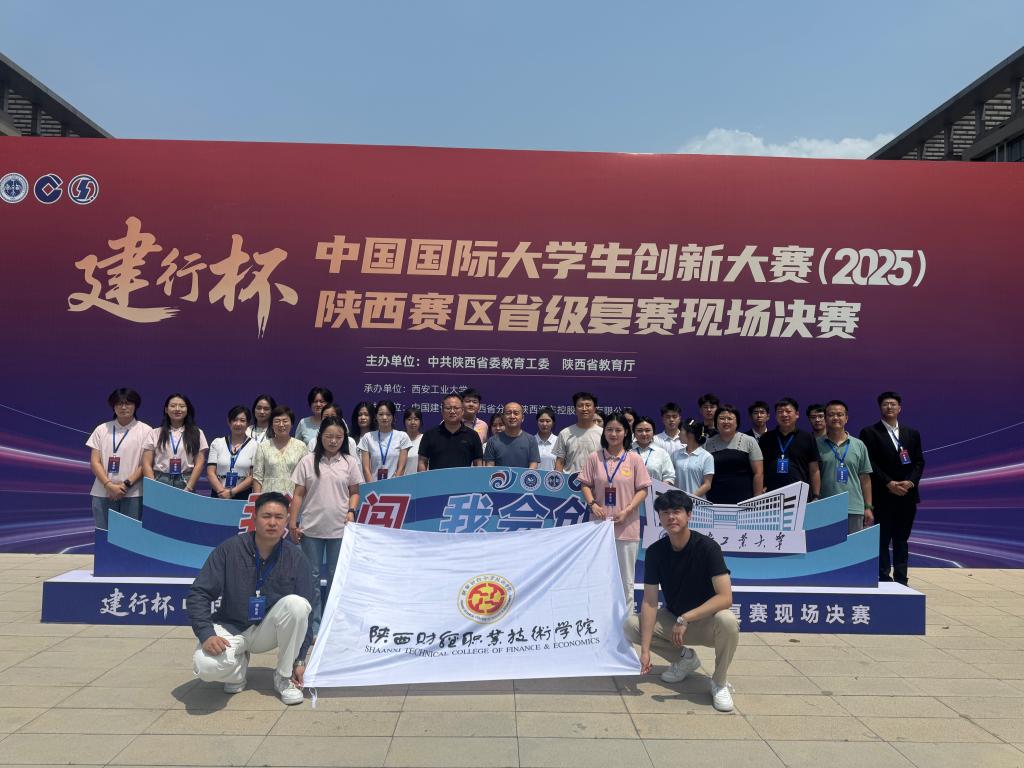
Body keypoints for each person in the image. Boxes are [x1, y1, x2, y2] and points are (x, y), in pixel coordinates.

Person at [188, 492, 313, 705]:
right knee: (206, 665)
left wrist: (300, 660)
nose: (272, 522)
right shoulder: (230, 549)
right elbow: (199, 593)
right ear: (254, 519)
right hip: (232, 627)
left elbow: (307, 614)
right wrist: (206, 634)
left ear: (287, 521)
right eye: (266, 516)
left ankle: (283, 677)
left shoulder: (295, 557)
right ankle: (237, 672)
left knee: (299, 605)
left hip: (267, 631)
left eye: (279, 517)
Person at [626, 490, 739, 712]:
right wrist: (645, 651)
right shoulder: (655, 552)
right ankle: (685, 659)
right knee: (631, 625)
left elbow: (725, 597)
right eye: (665, 512)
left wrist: (686, 617)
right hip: (675, 621)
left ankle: (719, 683)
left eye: (677, 511)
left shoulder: (708, 548)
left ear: (689, 515)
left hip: (706, 623)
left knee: (728, 621)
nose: (671, 517)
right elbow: (650, 602)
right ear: (659, 517)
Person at [289, 416, 361, 637]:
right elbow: (298, 494)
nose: (333, 441)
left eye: (338, 437)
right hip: (311, 528)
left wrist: (351, 511)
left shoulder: (349, 462)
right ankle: (313, 625)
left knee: (335, 577)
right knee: (311, 577)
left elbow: (355, 492)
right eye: (329, 436)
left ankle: (332, 625)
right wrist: (292, 522)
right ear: (320, 437)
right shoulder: (307, 461)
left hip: (339, 528)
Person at [579, 413, 652, 604]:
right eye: (609, 429)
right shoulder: (594, 458)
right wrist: (593, 504)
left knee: (625, 578)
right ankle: (599, 615)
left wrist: (628, 510)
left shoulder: (634, 459)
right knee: (598, 574)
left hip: (626, 526)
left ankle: (625, 619)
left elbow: (643, 489)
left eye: (618, 430)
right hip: (598, 527)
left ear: (626, 432)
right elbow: (585, 484)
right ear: (604, 432)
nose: (613, 434)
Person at [860, 391, 925, 584]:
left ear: (899, 408)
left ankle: (901, 578)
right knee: (882, 538)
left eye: (893, 404)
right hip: (883, 494)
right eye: (885, 404)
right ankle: (883, 577)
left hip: (907, 495)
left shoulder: (911, 433)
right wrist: (889, 483)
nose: (889, 407)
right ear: (880, 408)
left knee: (901, 539)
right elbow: (870, 463)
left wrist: (910, 482)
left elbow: (919, 461)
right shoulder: (869, 432)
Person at [86, 388, 150, 527]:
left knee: (129, 535)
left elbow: (145, 464)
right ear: (113, 406)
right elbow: (95, 462)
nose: (123, 407)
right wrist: (109, 485)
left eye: (128, 403)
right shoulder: (102, 429)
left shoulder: (146, 431)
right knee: (104, 535)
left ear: (135, 406)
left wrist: (125, 485)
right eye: (119, 403)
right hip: (103, 491)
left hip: (133, 493)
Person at [816, 400, 874, 534]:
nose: (835, 418)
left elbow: (865, 478)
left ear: (846, 418)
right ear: (825, 419)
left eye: (839, 414)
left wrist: (868, 507)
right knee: (827, 546)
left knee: (853, 547)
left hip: (853, 508)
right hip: (825, 507)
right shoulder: (816, 445)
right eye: (831, 415)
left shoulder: (859, 445)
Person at [142, 393, 208, 492]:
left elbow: (199, 463)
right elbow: (146, 463)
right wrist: (153, 486)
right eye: (173, 406)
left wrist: (189, 487)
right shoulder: (155, 433)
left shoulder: (197, 432)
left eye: (182, 406)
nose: (177, 409)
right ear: (166, 409)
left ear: (187, 409)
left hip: (185, 481)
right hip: (160, 480)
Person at [757, 397, 821, 498]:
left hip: (800, 495)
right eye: (780, 412)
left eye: (788, 411)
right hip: (771, 495)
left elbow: (814, 470)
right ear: (776, 416)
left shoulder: (807, 437)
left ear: (797, 414)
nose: (784, 415)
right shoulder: (765, 438)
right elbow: (759, 469)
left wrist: (816, 495)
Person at [704, 404, 763, 503]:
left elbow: (758, 473)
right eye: (722, 418)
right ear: (716, 422)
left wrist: (757, 499)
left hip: (744, 500)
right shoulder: (708, 443)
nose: (726, 421)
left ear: (737, 422)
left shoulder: (749, 441)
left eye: (730, 418)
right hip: (715, 500)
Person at [418, 393, 484, 471]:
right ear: (442, 411)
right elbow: (422, 462)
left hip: (464, 479)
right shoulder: (429, 434)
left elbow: (478, 463)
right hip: (436, 479)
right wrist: (422, 478)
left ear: (462, 411)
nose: (452, 411)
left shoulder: (473, 435)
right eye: (448, 408)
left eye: (456, 408)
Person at [252, 406, 308, 496]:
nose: (281, 425)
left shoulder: (301, 446)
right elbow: (257, 477)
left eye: (285, 421)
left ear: (292, 424)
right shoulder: (263, 446)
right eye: (277, 421)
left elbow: (304, 477)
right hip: (268, 498)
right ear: (271, 425)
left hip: (292, 497)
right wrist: (257, 500)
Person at [206, 405, 258, 500]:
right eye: (234, 420)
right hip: (219, 494)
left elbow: (253, 476)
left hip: (243, 495)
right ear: (229, 422)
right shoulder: (217, 443)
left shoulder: (255, 445)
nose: (238, 424)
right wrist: (222, 492)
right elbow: (210, 472)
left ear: (248, 423)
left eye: (242, 420)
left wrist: (231, 492)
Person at [358, 400, 411, 481]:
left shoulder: (402, 436)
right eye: (381, 414)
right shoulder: (367, 437)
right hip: (373, 486)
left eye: (388, 414)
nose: (384, 417)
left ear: (393, 416)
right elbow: (366, 469)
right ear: (376, 416)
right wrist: (373, 486)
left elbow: (401, 467)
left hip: (395, 485)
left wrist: (394, 485)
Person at [553, 392, 603, 474]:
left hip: (595, 480)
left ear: (594, 409)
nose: (584, 409)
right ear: (575, 410)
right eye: (580, 405)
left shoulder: (603, 433)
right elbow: (560, 462)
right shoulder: (565, 433)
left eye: (588, 405)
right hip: (570, 480)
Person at [484, 402, 540, 468]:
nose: (512, 416)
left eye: (516, 413)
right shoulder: (492, 441)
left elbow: (533, 467)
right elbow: (490, 467)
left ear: (522, 418)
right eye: (508, 413)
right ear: (503, 417)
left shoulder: (531, 440)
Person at [672, 420, 714, 497]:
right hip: (677, 501)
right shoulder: (675, 454)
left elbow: (707, 484)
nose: (678, 434)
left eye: (681, 431)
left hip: (697, 503)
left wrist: (690, 499)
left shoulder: (707, 457)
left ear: (690, 434)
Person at [632, 417, 676, 484]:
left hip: (656, 490)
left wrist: (661, 487)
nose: (644, 434)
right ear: (634, 433)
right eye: (639, 430)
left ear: (653, 432)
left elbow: (669, 476)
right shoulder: (627, 452)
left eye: (647, 430)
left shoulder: (662, 453)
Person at [534, 407, 558, 472]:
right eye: (541, 421)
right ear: (537, 422)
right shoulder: (531, 441)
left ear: (553, 423)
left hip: (553, 478)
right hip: (534, 478)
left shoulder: (558, 441)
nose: (544, 424)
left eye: (548, 421)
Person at [403, 406, 424, 475]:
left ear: (420, 422)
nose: (412, 422)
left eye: (416, 419)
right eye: (409, 419)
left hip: (419, 479)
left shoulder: (424, 439)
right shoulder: (399, 438)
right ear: (404, 421)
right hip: (400, 479)